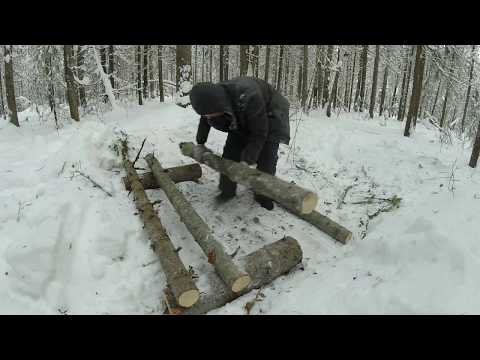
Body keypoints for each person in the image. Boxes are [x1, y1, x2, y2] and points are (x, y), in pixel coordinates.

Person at [189, 76, 290, 210]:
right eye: (206, 115)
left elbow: (259, 133)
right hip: (240, 114)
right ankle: (227, 190)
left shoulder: (249, 96)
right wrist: (200, 143)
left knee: (266, 159)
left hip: (272, 114)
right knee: (230, 154)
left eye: (210, 115)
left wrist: (246, 161)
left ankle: (263, 195)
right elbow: (204, 120)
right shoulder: (211, 98)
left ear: (219, 105)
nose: (208, 117)